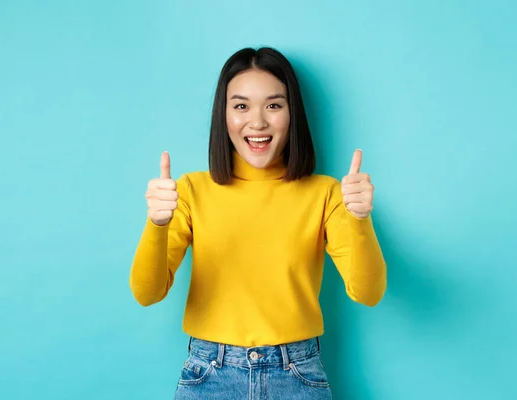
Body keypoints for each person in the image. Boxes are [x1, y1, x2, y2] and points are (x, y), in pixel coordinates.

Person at [129, 47, 387, 399]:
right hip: (210, 374)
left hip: (297, 374)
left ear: (292, 113)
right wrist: (157, 225)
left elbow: (368, 293)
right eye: (241, 106)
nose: (258, 122)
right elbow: (147, 293)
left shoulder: (326, 194)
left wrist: (359, 220)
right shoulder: (190, 191)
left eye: (274, 105)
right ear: (224, 116)